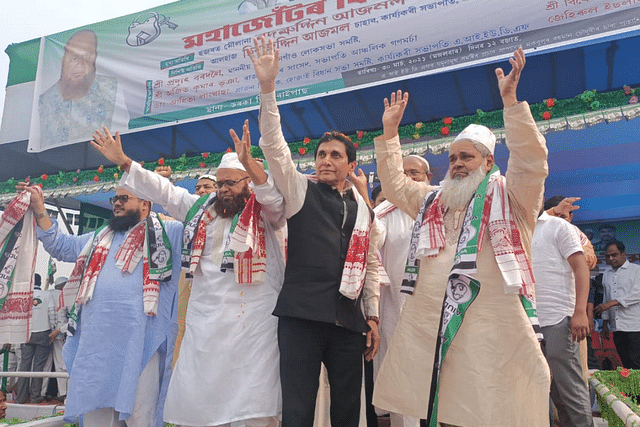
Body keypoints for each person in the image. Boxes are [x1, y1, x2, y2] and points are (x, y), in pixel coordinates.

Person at [372, 47, 550, 426]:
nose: (456, 165)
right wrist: (390, 134)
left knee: (494, 407)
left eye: (466, 157)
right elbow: (395, 184)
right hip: (436, 325)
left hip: (492, 328)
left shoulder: (512, 197)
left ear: (488, 162)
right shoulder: (435, 201)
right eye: (452, 158)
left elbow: (531, 161)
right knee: (445, 404)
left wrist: (511, 104)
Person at [92, 122, 286, 427]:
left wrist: (251, 162)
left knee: (255, 401)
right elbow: (166, 193)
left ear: (248, 182)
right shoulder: (201, 210)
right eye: (220, 183)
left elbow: (273, 196)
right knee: (206, 397)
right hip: (207, 321)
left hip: (255, 323)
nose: (223, 190)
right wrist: (125, 163)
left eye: (231, 183)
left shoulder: (267, 212)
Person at [250, 36, 381, 427]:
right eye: (321, 154)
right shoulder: (299, 190)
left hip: (347, 322)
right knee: (298, 410)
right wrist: (268, 90)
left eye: (334, 155)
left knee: (346, 411)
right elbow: (275, 148)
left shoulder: (363, 209)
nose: (325, 160)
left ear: (351, 164)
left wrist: (372, 316)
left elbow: (370, 265)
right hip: (301, 318)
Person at [18, 182, 182, 427]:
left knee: (141, 417)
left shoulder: (169, 232)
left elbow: (197, 220)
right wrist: (40, 208)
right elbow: (60, 245)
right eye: (114, 199)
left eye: (124, 198)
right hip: (97, 345)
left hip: (141, 343)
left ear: (145, 204)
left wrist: (164, 189)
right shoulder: (99, 238)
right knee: (97, 416)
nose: (116, 203)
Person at [373, 155, 432, 427]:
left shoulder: (441, 208)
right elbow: (373, 239)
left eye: (415, 173)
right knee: (403, 378)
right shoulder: (385, 213)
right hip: (397, 308)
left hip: (437, 309)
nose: (409, 179)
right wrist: (366, 201)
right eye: (403, 173)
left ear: (427, 178)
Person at [532, 208, 592, 427]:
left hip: (558, 318)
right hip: (528, 323)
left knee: (570, 390)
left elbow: (581, 268)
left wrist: (579, 313)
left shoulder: (559, 226)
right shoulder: (518, 229)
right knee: (551, 391)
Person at [38, 29, 127, 147]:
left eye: (87, 55)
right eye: (74, 57)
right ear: (63, 58)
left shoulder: (112, 88)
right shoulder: (45, 100)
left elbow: (125, 132)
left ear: (95, 56)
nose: (80, 64)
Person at [595, 240, 640, 369]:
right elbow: (606, 297)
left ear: (623, 254)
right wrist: (604, 325)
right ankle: (630, 389)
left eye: (614, 255)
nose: (611, 258)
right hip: (616, 326)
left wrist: (612, 303)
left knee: (635, 361)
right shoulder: (606, 274)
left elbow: (637, 294)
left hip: (634, 325)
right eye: (608, 256)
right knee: (624, 362)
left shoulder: (636, 270)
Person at [15, 274, 54, 404]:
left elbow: (18, 316)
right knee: (38, 367)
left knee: (24, 366)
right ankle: (35, 396)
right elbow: (52, 314)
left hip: (26, 334)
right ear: (40, 282)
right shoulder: (47, 295)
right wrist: (54, 331)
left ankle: (20, 398)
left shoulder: (24, 297)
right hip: (43, 333)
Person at [41, 276, 69, 401]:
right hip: (61, 333)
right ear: (64, 286)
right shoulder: (66, 295)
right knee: (62, 364)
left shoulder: (47, 294)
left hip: (47, 333)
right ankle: (63, 393)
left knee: (47, 365)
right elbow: (65, 316)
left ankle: (43, 393)